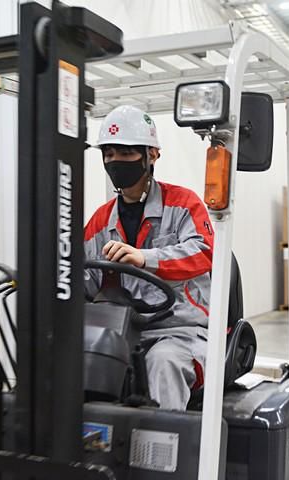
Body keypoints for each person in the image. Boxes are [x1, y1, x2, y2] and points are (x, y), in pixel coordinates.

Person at [84, 105, 214, 410]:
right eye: (109, 153)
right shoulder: (100, 221)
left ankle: (162, 441)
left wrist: (145, 258)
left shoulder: (183, 203)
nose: (116, 161)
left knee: (162, 363)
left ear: (152, 155)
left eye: (126, 153)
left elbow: (204, 251)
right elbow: (86, 278)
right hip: (124, 331)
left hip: (181, 330)